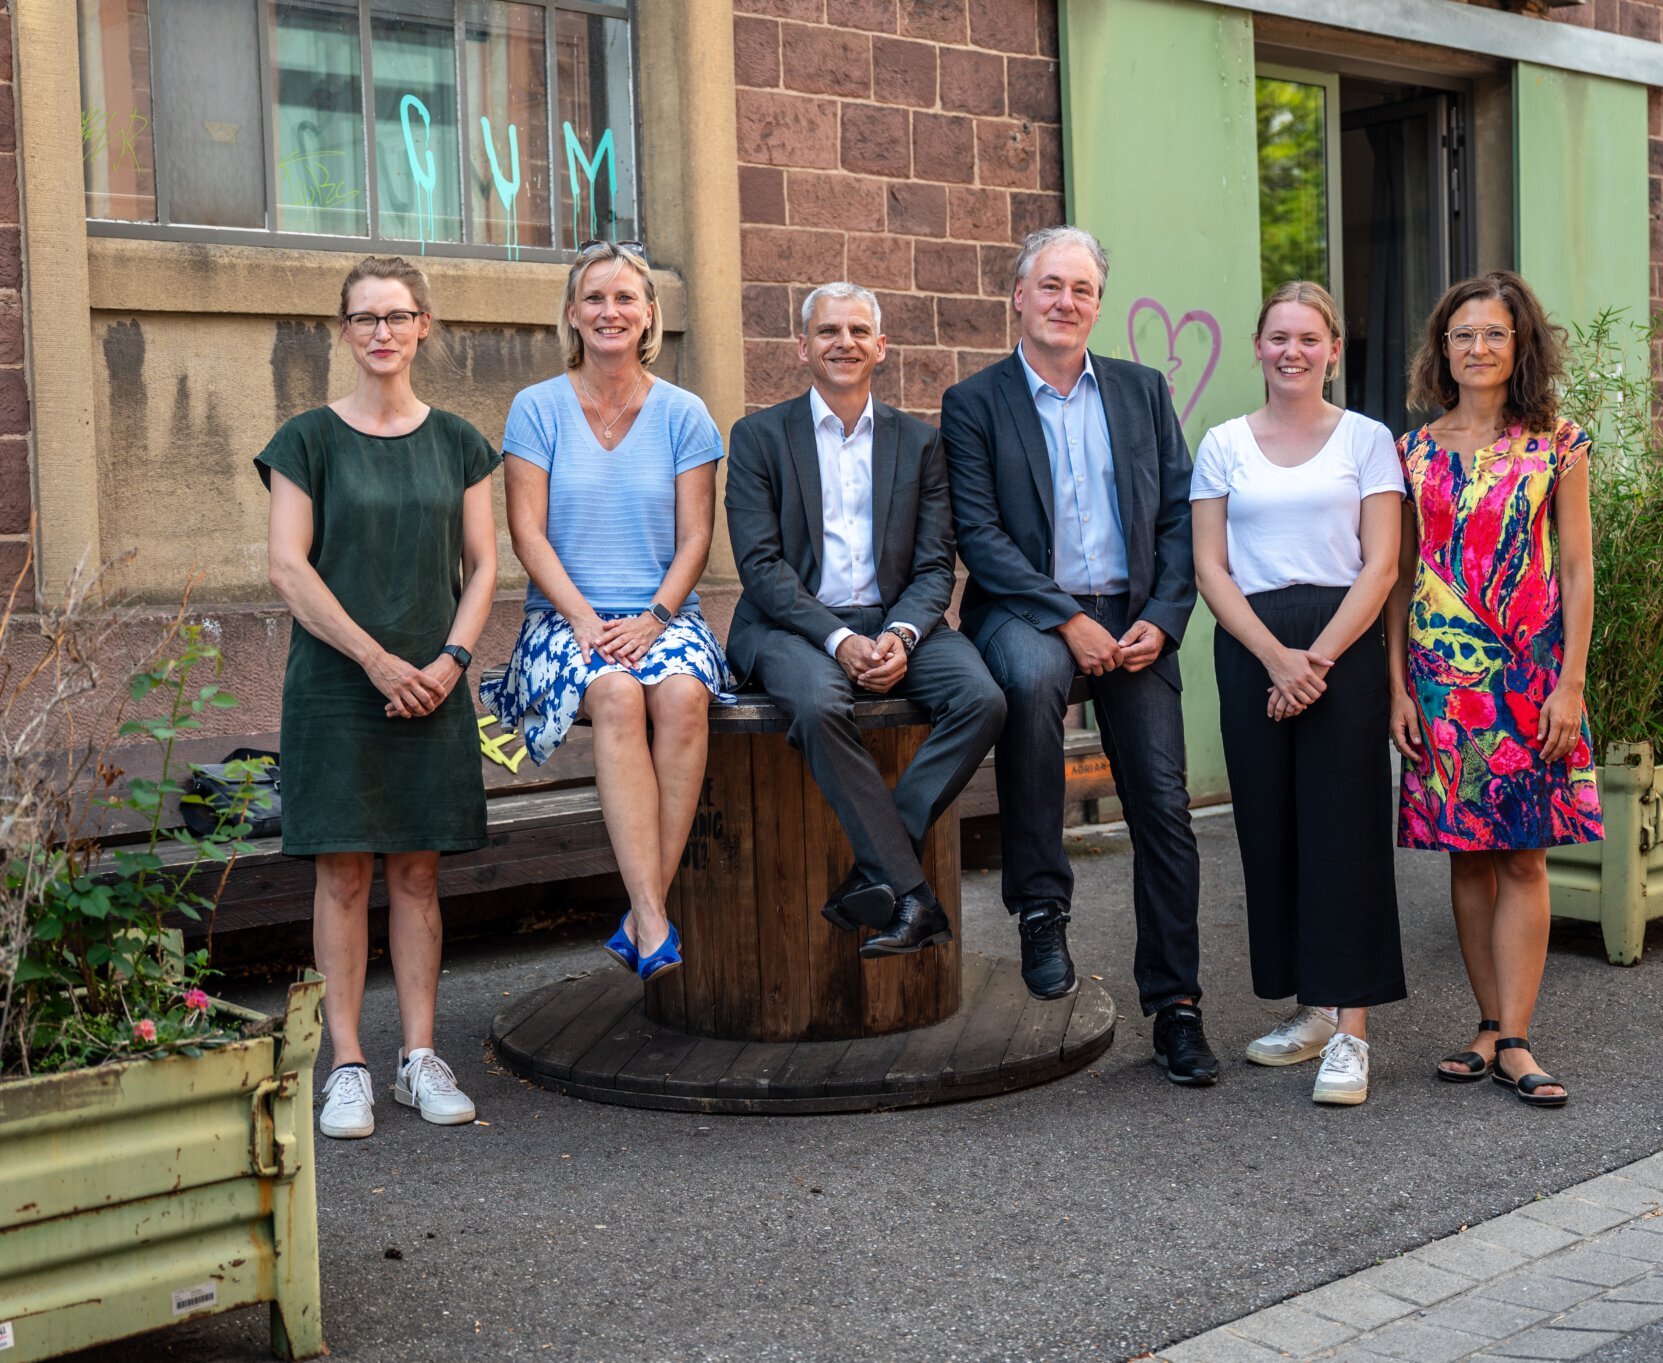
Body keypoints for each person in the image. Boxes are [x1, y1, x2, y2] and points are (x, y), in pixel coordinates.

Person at [939, 224, 1217, 1086]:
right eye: (1050, 286)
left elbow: (1177, 516)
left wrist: (1162, 618)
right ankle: (1039, 906)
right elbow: (979, 536)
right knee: (1028, 683)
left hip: (1133, 617)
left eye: (1082, 289)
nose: (1065, 302)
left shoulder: (1140, 390)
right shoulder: (974, 402)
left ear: (1097, 304)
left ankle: (1176, 1006)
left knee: (1162, 807)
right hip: (1025, 608)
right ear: (1018, 297)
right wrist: (1066, 619)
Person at [259, 256, 498, 1140]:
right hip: (337, 683)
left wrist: (450, 660)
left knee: (419, 872)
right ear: (344, 330)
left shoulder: (461, 442)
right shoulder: (306, 440)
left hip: (435, 682)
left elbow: (484, 565)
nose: (381, 332)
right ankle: (349, 1063)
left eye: (397, 316)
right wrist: (376, 661)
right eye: (364, 318)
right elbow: (287, 568)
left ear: (423, 325)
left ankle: (418, 1057)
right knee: (344, 872)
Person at [725, 283, 1005, 953]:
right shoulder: (758, 437)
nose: (843, 342)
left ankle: (878, 871)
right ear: (802, 347)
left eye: (857, 331)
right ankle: (912, 894)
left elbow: (935, 566)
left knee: (982, 698)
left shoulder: (920, 443)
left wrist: (901, 634)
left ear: (881, 347)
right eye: (827, 331)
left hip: (896, 619)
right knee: (820, 704)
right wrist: (840, 639)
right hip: (788, 625)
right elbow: (761, 567)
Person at [482, 241, 733, 986]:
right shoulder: (537, 408)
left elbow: (696, 538)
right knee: (618, 693)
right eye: (594, 297)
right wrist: (585, 621)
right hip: (564, 619)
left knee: (682, 695)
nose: (609, 311)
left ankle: (640, 915)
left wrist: (654, 618)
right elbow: (527, 534)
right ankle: (652, 918)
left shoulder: (684, 414)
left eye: (625, 298)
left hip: (663, 614)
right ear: (571, 313)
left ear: (649, 314)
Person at [1388, 270, 1602, 1109]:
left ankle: (1515, 1037)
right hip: (1443, 681)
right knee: (1468, 852)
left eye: (1493, 334)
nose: (1477, 348)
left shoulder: (1558, 443)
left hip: (1533, 676)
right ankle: (1485, 1024)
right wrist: (1398, 687)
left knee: (1523, 850)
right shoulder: (1411, 451)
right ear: (1442, 350)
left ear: (1520, 347)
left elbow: (1577, 569)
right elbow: (1399, 576)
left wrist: (1570, 683)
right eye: (1462, 335)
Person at [1191, 281, 1406, 1107]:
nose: (1292, 351)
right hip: (1252, 646)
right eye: (1278, 337)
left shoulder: (1366, 439)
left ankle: (1353, 1031)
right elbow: (1210, 567)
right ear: (1257, 346)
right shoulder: (1221, 443)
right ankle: (1313, 1010)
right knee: (1271, 829)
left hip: (1338, 643)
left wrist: (1311, 661)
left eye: (1308, 338)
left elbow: (1380, 564)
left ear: (1333, 350)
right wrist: (1275, 659)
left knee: (1344, 832)